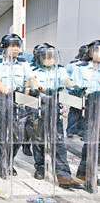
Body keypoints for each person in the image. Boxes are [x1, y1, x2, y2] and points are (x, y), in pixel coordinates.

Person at [28, 43, 84, 189]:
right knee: (39, 138)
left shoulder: (59, 69)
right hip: (38, 106)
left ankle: (63, 175)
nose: (49, 59)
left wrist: (76, 87)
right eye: (46, 57)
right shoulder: (32, 69)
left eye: (51, 57)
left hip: (54, 105)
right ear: (39, 58)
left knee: (58, 141)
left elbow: (67, 81)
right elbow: (32, 84)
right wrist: (39, 89)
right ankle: (40, 167)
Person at [0, 34, 39, 179]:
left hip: (19, 101)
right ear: (5, 48)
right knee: (1, 135)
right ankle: (3, 165)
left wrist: (34, 87)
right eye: (13, 46)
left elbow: (30, 78)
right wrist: (5, 90)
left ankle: (9, 160)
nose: (16, 49)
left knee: (18, 135)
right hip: (2, 100)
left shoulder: (23, 63)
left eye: (17, 46)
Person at [72, 40, 100, 191]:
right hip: (89, 109)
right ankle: (87, 176)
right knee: (90, 143)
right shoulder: (81, 69)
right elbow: (76, 89)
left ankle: (89, 173)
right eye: (96, 50)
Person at [65, 45, 89, 138]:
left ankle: (81, 130)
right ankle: (71, 130)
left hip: (86, 93)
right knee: (75, 112)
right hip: (75, 92)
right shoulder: (73, 65)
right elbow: (65, 77)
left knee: (84, 111)